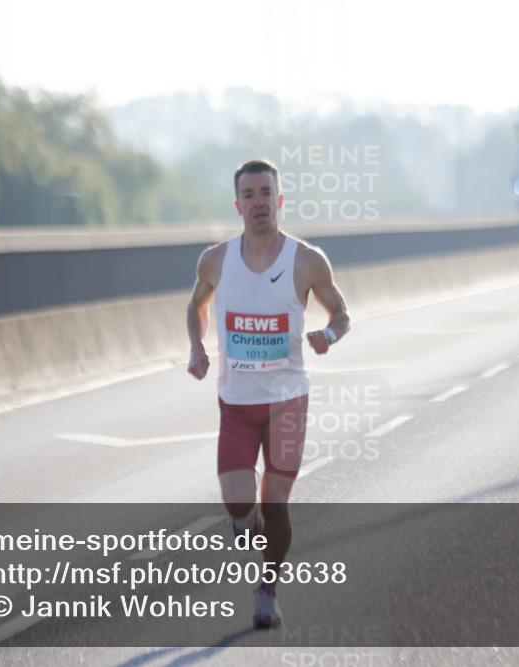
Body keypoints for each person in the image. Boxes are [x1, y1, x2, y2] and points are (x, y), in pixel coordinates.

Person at [185, 158, 350, 629]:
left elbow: (342, 313)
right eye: (250, 195)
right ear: (238, 205)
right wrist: (197, 347)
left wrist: (329, 336)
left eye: (266, 194)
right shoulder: (215, 259)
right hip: (236, 404)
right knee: (238, 502)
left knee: (276, 501)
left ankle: (267, 590)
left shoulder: (307, 260)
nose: (259, 203)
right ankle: (248, 525)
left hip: (287, 401)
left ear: (280, 201)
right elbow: (195, 304)